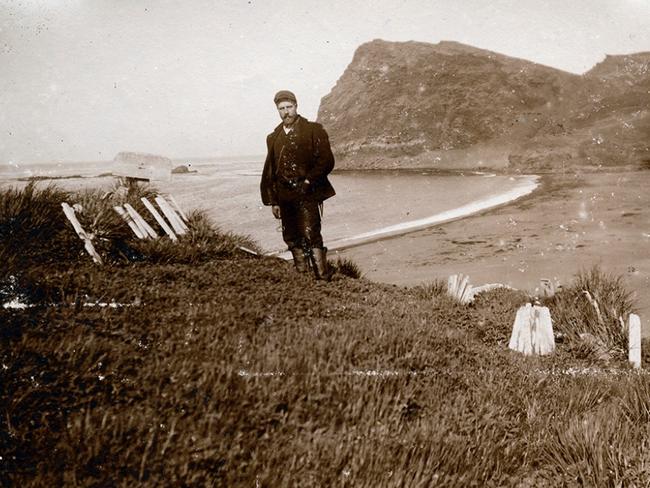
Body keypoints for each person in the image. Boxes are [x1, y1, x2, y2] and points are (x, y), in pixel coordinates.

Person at [260, 90, 336, 280]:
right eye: (281, 109)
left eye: (289, 107)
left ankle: (323, 278)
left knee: (311, 235)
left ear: (296, 106)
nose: (286, 112)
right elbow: (270, 171)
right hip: (284, 197)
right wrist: (274, 201)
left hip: (308, 193)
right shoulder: (273, 137)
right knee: (292, 237)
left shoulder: (313, 130)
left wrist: (309, 180)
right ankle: (303, 277)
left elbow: (326, 161)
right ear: (277, 110)